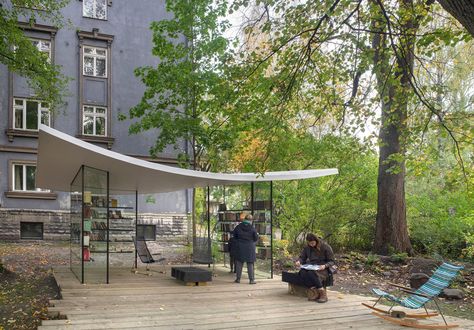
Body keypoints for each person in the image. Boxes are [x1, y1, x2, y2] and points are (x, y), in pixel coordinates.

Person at [295, 233, 335, 303]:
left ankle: (322, 293)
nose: (311, 244)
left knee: (311, 273)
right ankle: (315, 292)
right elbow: (302, 258)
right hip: (312, 266)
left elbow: (332, 261)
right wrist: (299, 261)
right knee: (302, 272)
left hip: (323, 268)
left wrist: (324, 266)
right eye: (309, 243)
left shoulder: (325, 246)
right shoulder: (307, 247)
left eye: (313, 243)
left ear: (316, 240)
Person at [233, 213, 259, 284]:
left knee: (239, 263)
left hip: (240, 247)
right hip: (249, 247)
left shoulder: (238, 227)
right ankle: (251, 280)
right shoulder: (252, 228)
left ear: (244, 219)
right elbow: (256, 238)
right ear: (251, 220)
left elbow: (234, 236)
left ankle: (238, 279)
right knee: (250, 263)